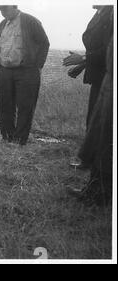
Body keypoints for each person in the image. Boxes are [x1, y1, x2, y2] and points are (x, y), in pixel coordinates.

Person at [62, 5, 113, 169]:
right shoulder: (101, 13)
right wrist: (82, 65)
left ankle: (94, 164)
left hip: (108, 78)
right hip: (100, 77)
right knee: (94, 119)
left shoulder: (111, 13)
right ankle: (90, 161)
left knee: (101, 123)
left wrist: (84, 57)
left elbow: (109, 50)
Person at [69, 27, 113, 206]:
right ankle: (96, 190)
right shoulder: (107, 12)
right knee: (101, 137)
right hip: (108, 79)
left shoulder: (110, 11)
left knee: (106, 139)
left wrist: (85, 59)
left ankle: (99, 194)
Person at [0, 5, 50, 145]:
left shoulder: (31, 21)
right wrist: (0, 65)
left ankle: (19, 140)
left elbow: (44, 43)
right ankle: (7, 137)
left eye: (5, 9)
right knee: (3, 105)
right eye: (0, 11)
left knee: (25, 106)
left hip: (27, 71)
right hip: (5, 71)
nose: (3, 13)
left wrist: (36, 65)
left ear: (14, 7)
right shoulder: (2, 24)